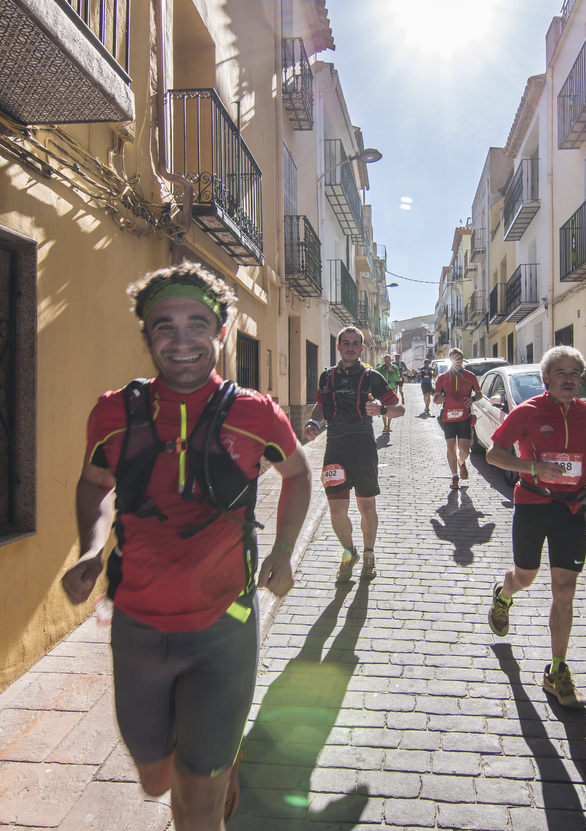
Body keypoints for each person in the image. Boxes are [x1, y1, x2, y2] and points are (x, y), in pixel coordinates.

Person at [62, 263, 312, 830]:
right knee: (155, 780)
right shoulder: (113, 413)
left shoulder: (256, 413)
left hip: (225, 627)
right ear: (146, 336)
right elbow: (95, 484)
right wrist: (91, 550)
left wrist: (283, 549)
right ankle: (213, 759)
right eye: (164, 327)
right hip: (137, 628)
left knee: (196, 804)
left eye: (197, 324)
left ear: (220, 333)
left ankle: (214, 764)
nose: (181, 342)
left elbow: (298, 474)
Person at [484, 345, 586, 708]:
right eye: (561, 373)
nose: (569, 380)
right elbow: (494, 454)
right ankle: (504, 594)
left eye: (575, 374)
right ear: (546, 378)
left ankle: (557, 670)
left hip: (571, 509)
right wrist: (533, 468)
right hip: (532, 505)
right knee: (525, 577)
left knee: (565, 589)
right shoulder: (527, 412)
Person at [304, 326, 404, 581]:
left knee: (366, 507)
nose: (350, 347)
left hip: (363, 447)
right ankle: (350, 552)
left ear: (361, 348)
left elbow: (399, 408)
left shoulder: (372, 377)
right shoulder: (327, 376)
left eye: (355, 343)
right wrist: (314, 422)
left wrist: (381, 409)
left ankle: (369, 554)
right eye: (345, 343)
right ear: (338, 347)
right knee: (336, 511)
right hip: (335, 448)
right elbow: (320, 405)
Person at [432, 347, 481, 489]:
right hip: (448, 418)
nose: (457, 361)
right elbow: (435, 398)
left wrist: (472, 399)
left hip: (464, 417)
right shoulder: (442, 378)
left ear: (462, 360)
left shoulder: (470, 376)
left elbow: (479, 394)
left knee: (464, 450)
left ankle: (461, 462)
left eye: (459, 359)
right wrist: (438, 399)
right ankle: (454, 476)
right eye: (454, 359)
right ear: (450, 360)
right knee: (450, 446)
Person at [377, 354, 402, 433]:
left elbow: (397, 378)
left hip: (392, 389)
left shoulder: (395, 367)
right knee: (383, 408)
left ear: (391, 360)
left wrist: (392, 371)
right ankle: (385, 426)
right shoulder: (380, 368)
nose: (387, 361)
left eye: (389, 360)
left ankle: (389, 425)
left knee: (391, 408)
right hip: (383, 391)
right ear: (384, 360)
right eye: (386, 360)